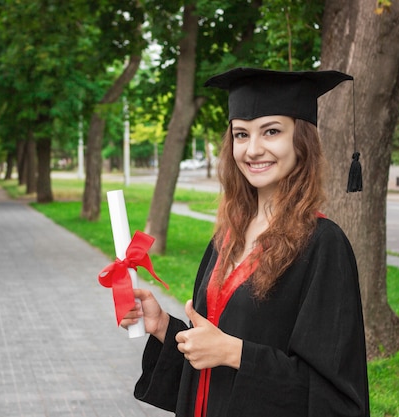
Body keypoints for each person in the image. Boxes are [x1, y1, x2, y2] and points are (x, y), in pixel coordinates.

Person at [121, 68, 370, 417]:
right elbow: (207, 362)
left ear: (301, 140)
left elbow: (335, 398)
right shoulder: (226, 236)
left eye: (271, 131)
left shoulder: (323, 246)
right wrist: (163, 326)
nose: (253, 150)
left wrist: (233, 353)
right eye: (241, 134)